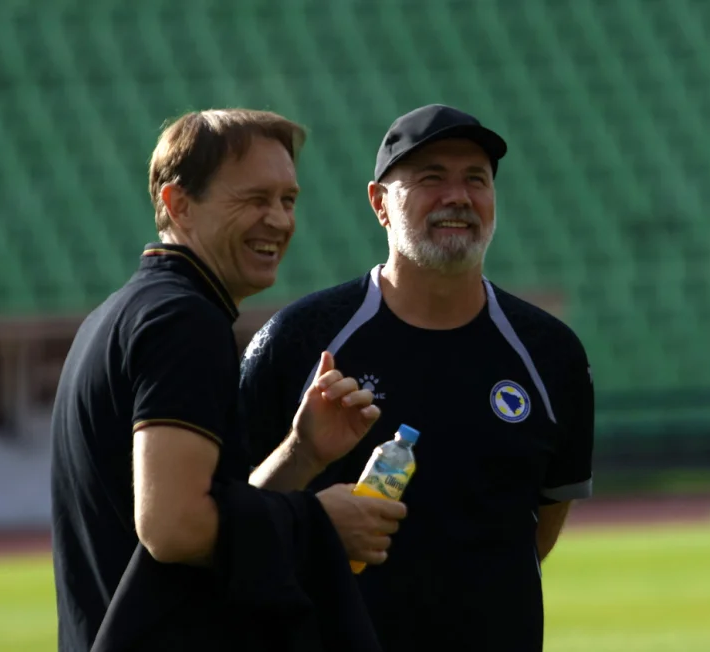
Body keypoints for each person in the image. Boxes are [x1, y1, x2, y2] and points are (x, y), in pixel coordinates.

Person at [237, 103, 595, 652]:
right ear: (380, 203)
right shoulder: (300, 339)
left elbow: (540, 522)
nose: (458, 196)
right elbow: (236, 513)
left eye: (475, 179)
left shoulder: (550, 351)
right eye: (431, 178)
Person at [49, 109, 404, 652]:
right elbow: (173, 528)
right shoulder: (182, 321)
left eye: (288, 200)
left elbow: (206, 527)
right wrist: (317, 523)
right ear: (178, 204)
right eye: (254, 199)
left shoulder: (127, 311)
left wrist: (301, 453)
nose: (280, 220)